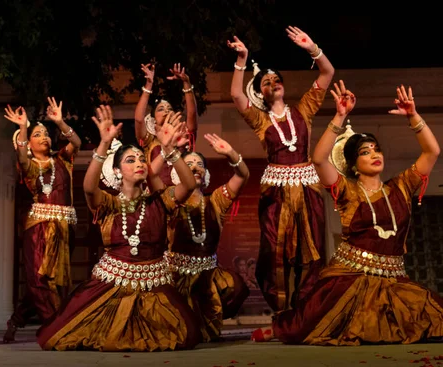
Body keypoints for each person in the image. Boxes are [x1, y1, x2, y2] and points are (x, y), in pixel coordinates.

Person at [262, 81, 443, 345]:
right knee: (307, 326)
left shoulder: (401, 187)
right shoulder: (347, 190)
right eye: (364, 152)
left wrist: (413, 115)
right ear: (353, 164)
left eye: (376, 149)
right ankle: (278, 328)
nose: (374, 154)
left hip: (394, 280)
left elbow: (432, 151)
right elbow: (320, 160)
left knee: (433, 317)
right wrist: (340, 116)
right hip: (350, 281)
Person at [37, 106, 202, 351]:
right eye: (130, 160)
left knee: (185, 333)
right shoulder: (108, 204)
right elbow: (89, 189)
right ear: (116, 171)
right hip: (111, 283)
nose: (138, 163)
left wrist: (170, 151)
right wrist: (103, 145)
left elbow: (187, 185)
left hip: (154, 283)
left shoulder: (159, 200)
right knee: (59, 334)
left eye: (140, 159)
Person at [228, 27, 335, 313]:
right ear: (261, 92)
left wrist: (312, 47)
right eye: (266, 82)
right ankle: (281, 309)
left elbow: (327, 74)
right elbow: (237, 95)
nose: (273, 83)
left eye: (277, 80)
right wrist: (242, 59)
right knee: (275, 250)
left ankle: (307, 308)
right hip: (275, 192)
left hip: (308, 188)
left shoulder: (304, 110)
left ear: (283, 87)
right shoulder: (261, 120)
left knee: (309, 248)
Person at [2, 98, 81, 343]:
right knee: (38, 279)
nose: (45, 137)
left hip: (64, 228)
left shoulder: (62, 160)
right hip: (38, 229)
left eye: (46, 133)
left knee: (54, 282)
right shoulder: (27, 165)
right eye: (38, 134)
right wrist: (24, 127)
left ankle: (17, 319)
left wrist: (59, 121)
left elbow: (76, 142)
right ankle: (56, 326)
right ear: (28, 143)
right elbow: (23, 159)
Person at [159, 133, 251, 342]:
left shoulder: (216, 201)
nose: (195, 167)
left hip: (208, 277)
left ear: (206, 174)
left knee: (233, 286)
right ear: (178, 171)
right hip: (176, 277)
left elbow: (243, 176)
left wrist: (230, 153)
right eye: (188, 163)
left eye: (200, 164)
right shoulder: (170, 199)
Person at [134, 63, 198, 185]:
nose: (166, 110)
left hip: (184, 193)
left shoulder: (183, 135)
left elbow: (192, 114)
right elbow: (138, 119)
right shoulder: (149, 139)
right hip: (156, 196)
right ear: (152, 119)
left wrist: (186, 83)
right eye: (161, 109)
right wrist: (148, 85)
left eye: (169, 108)